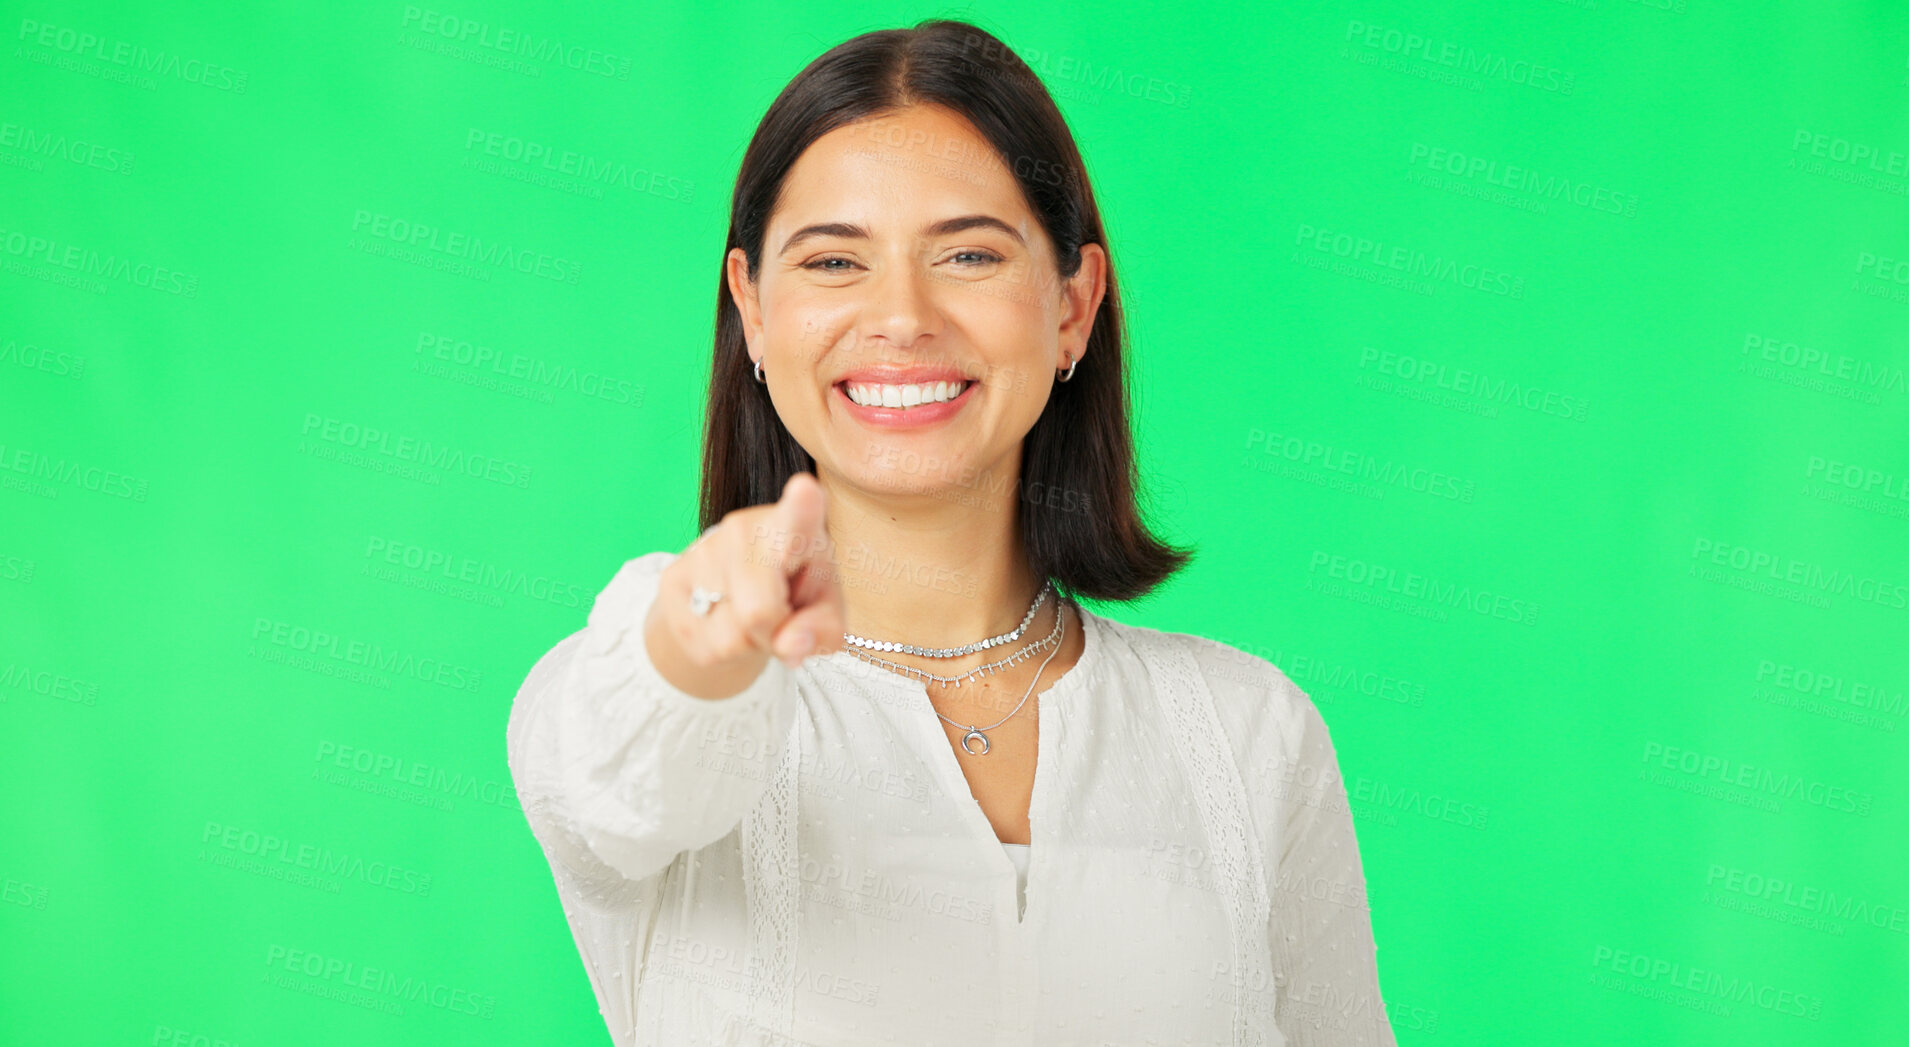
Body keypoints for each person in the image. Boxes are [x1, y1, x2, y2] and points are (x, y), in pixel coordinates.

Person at [505, 18, 1394, 1046]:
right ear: (752, 308)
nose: (901, 317)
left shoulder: (1251, 733)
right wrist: (694, 644)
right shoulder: (629, 701)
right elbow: (617, 769)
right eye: (834, 261)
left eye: (968, 253)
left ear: (1072, 305)